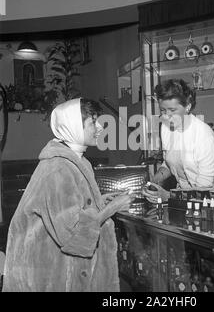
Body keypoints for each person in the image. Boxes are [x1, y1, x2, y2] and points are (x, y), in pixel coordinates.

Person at [3, 98, 134, 292]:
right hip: (48, 275)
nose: (99, 127)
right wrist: (112, 208)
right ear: (73, 127)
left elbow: (72, 206)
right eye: (92, 122)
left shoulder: (77, 161)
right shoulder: (57, 168)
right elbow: (73, 235)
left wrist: (100, 202)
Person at [143, 79, 214, 203]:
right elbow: (170, 162)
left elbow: (202, 190)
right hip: (184, 197)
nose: (166, 116)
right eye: (163, 110)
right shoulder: (166, 128)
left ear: (187, 106)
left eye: (172, 110)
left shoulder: (204, 135)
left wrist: (167, 195)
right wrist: (154, 181)